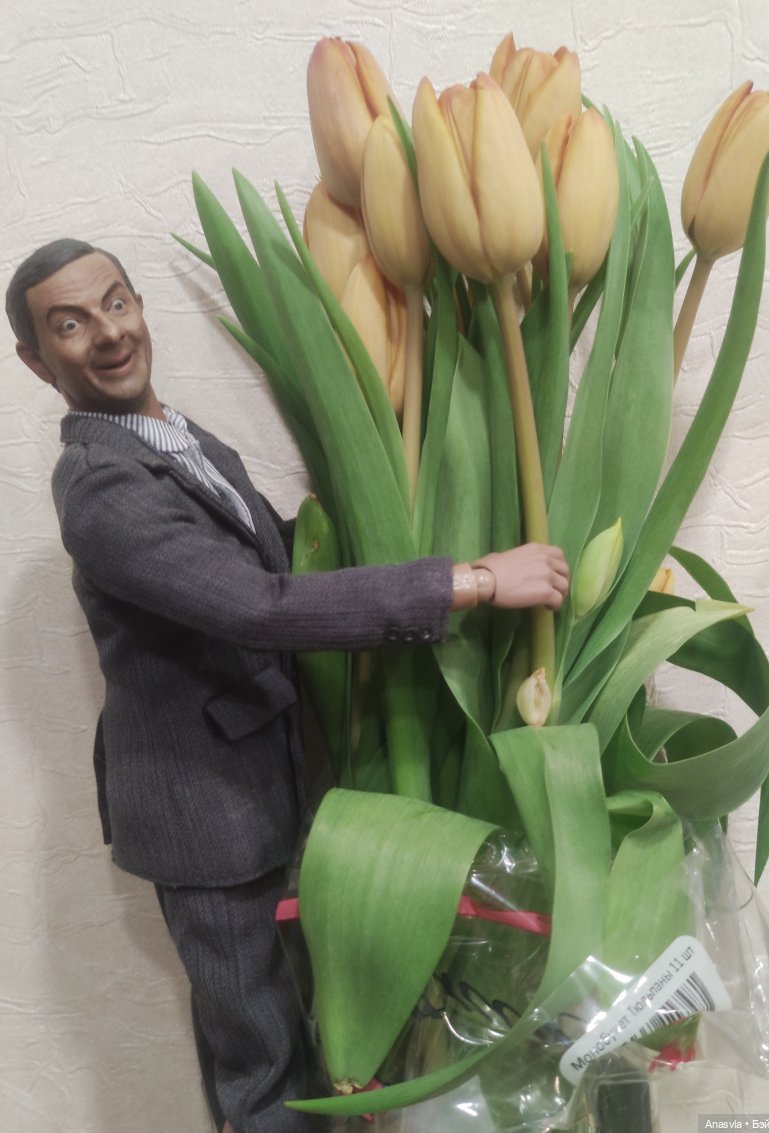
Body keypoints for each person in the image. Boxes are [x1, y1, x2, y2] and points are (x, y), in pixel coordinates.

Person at [6, 238, 569, 1133]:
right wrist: (470, 580)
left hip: (266, 787)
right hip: (202, 814)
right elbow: (257, 606)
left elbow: (285, 553)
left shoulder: (178, 438)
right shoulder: (103, 488)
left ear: (140, 306)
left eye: (115, 303)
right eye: (69, 325)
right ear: (38, 362)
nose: (107, 333)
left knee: (302, 1026)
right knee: (261, 1057)